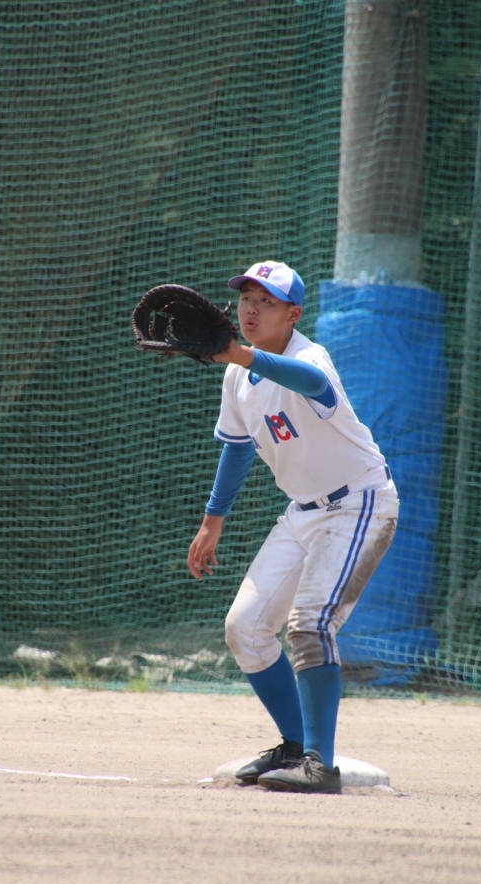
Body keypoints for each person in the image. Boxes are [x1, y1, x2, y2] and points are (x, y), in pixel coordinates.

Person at [187, 260, 399, 794]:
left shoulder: (309, 356)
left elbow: (312, 383)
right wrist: (212, 521)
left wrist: (241, 353)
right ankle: (294, 742)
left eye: (267, 301)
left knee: (309, 625)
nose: (251, 309)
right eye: (246, 298)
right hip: (302, 511)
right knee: (246, 628)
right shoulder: (238, 376)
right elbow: (237, 449)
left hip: (359, 503)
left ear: (293, 314)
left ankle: (319, 765)